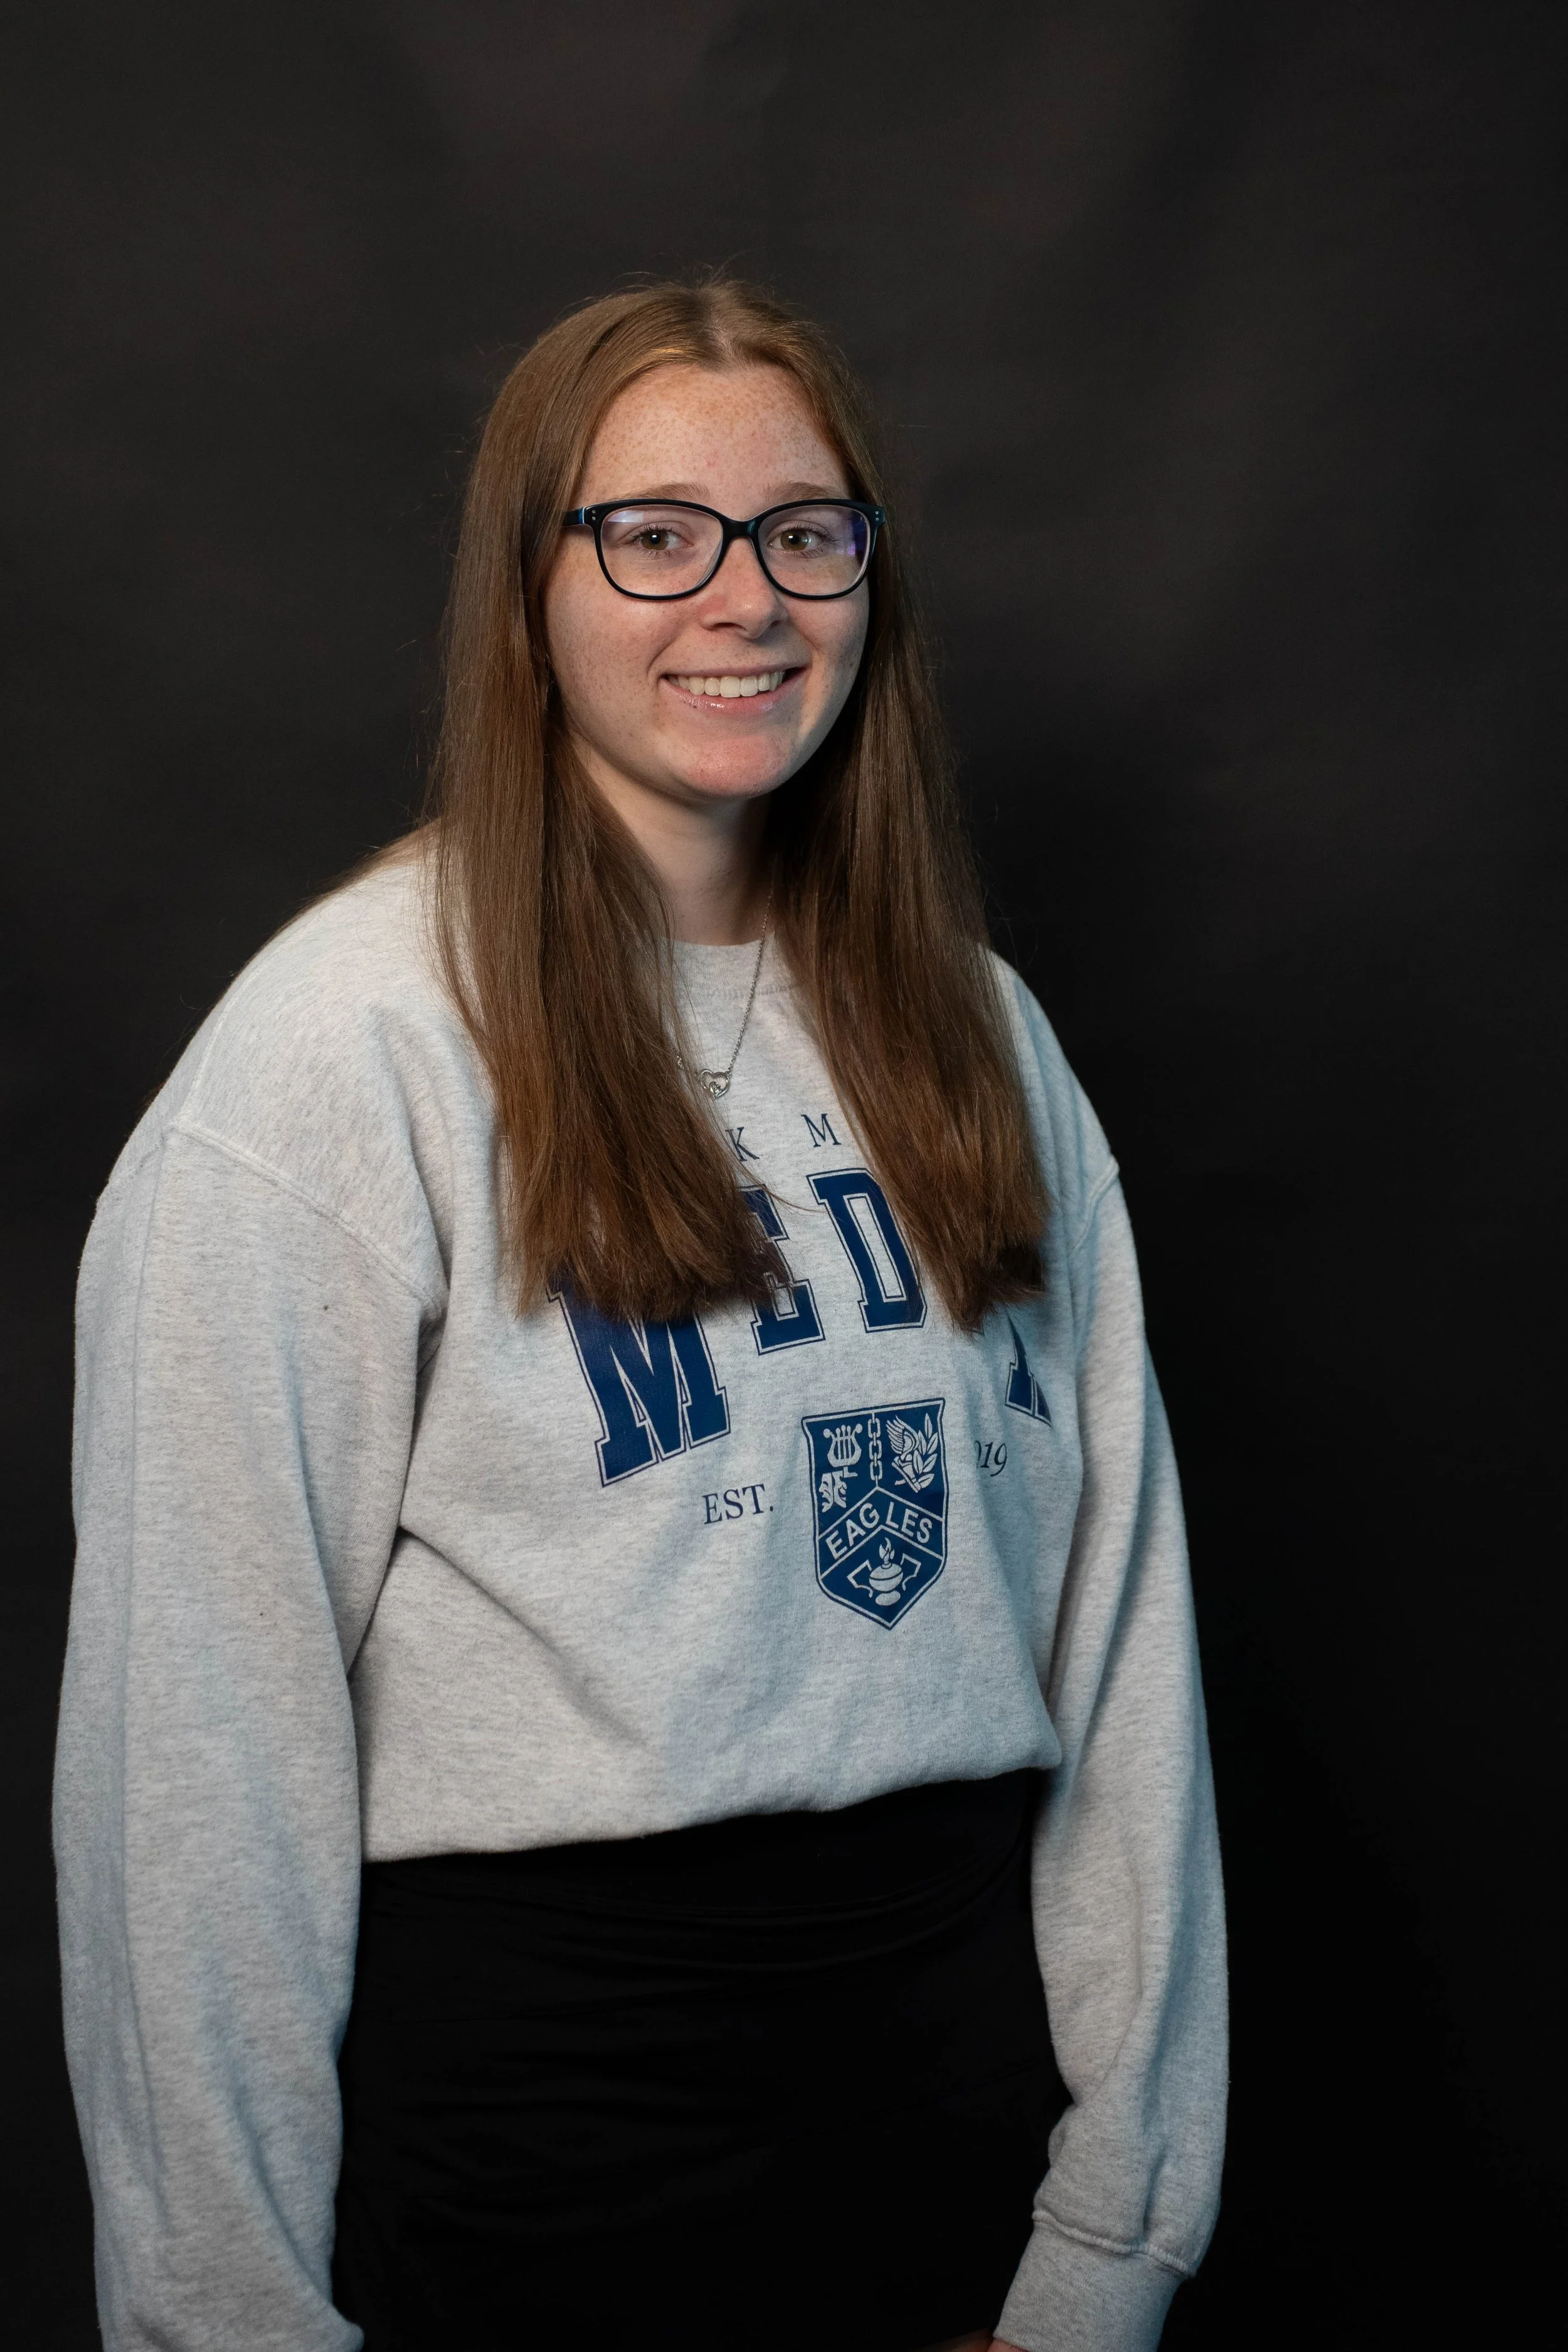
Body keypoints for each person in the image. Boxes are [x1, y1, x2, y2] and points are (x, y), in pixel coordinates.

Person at [55, 278, 1227, 2352]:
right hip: (544, 2162)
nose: (744, 598)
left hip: (955, 2141)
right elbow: (198, 1753)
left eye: (804, 531)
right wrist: (225, 2319)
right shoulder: (345, 1049)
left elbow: (1117, 1641)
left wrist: (1104, 2245)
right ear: (530, 584)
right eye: (655, 534)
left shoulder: (975, 1031)